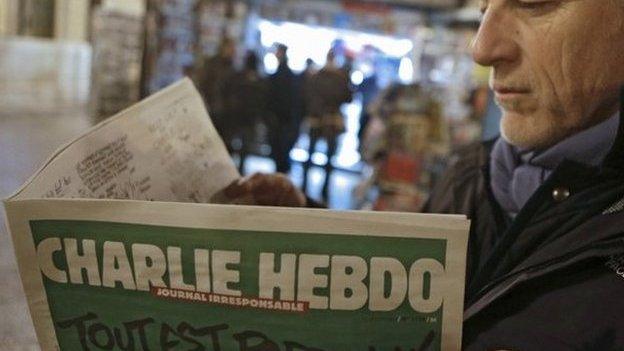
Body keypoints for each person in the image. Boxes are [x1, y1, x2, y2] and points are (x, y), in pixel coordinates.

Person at [221, 0, 624, 349]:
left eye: (534, 3)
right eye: (484, 8)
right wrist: (307, 230)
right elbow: (405, 290)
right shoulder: (471, 171)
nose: (482, 48)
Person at [302, 50, 353, 200]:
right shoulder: (341, 77)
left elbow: (307, 96)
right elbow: (348, 97)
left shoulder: (316, 75)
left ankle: (304, 184)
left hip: (316, 118)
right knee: (329, 157)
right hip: (332, 119)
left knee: (310, 153)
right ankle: (325, 188)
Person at [224, 51, 269, 174]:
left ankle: (233, 169)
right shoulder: (258, 79)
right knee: (243, 146)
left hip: (239, 116)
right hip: (247, 117)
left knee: (235, 144)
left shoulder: (238, 76)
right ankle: (237, 169)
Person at [267, 44, 301, 174]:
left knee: (280, 152)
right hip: (285, 120)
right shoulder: (290, 76)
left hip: (281, 120)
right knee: (282, 152)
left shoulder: (280, 76)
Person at [199, 37, 237, 145]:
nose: (233, 51)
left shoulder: (231, 66)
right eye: (231, 47)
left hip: (225, 113)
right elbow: (204, 84)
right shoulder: (212, 64)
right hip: (212, 110)